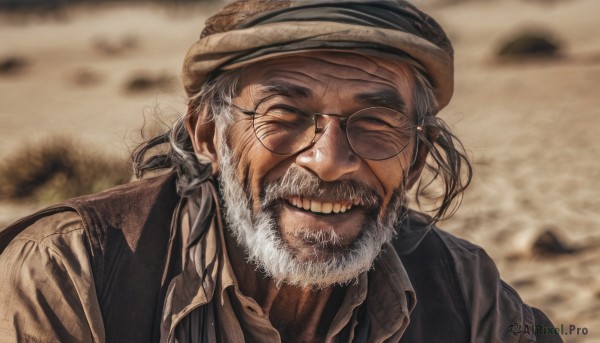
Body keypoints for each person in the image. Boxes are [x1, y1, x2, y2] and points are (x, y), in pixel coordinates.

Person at [0, 1, 562, 342]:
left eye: (375, 121)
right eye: (285, 115)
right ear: (207, 135)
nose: (329, 159)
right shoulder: (70, 272)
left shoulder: (463, 287)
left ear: (415, 156)